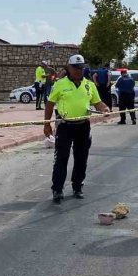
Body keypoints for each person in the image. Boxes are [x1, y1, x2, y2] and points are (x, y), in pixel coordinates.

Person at [44, 55, 110, 204]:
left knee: (81, 158)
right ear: (68, 68)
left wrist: (104, 108)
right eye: (75, 67)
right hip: (65, 126)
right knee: (61, 158)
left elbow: (97, 102)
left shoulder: (89, 85)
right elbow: (50, 104)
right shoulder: (60, 84)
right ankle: (57, 189)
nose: (79, 70)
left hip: (83, 126)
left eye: (81, 67)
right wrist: (47, 124)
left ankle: (77, 187)